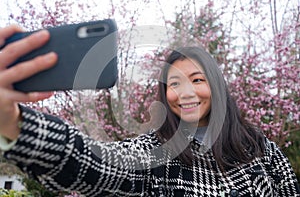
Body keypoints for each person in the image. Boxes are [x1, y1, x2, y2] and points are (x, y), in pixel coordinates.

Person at [0, 24, 299, 197]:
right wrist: (14, 122)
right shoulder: (154, 152)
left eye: (197, 80)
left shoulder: (262, 149)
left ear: (218, 86)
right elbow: (95, 165)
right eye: (174, 84)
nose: (185, 93)